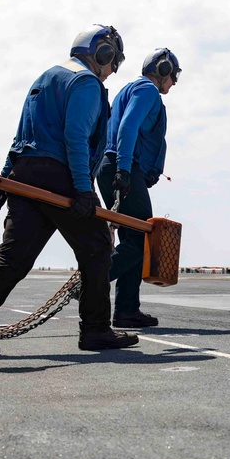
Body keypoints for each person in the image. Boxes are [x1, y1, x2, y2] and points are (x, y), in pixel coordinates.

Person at [0, 24, 138, 357]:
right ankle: (95, 330)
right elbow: (75, 138)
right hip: (58, 175)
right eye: (112, 60)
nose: (110, 72)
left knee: (13, 257)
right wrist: (82, 190)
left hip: (26, 173)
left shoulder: (45, 78)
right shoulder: (86, 83)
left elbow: (20, 137)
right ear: (102, 53)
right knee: (98, 247)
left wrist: (4, 179)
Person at [96, 47, 180, 328]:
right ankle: (90, 281)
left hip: (114, 167)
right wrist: (123, 168)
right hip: (122, 166)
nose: (174, 83)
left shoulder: (128, 90)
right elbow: (128, 127)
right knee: (142, 239)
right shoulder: (147, 91)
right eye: (174, 76)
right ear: (164, 70)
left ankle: (126, 310)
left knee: (134, 240)